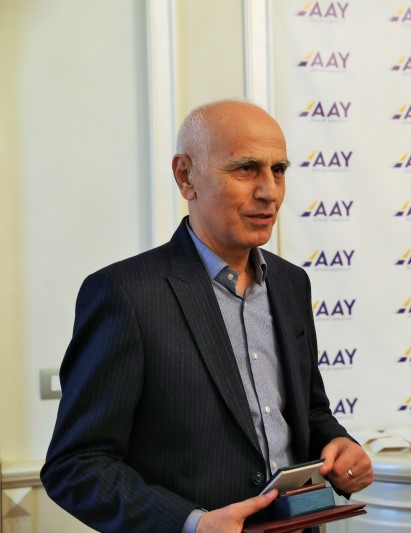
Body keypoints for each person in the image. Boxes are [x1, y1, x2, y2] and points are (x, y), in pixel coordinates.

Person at [41, 100, 373, 533]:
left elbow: (308, 411)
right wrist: (193, 524)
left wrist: (338, 442)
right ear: (186, 177)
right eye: (246, 169)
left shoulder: (292, 284)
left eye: (278, 170)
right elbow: (76, 465)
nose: (270, 192)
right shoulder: (126, 294)